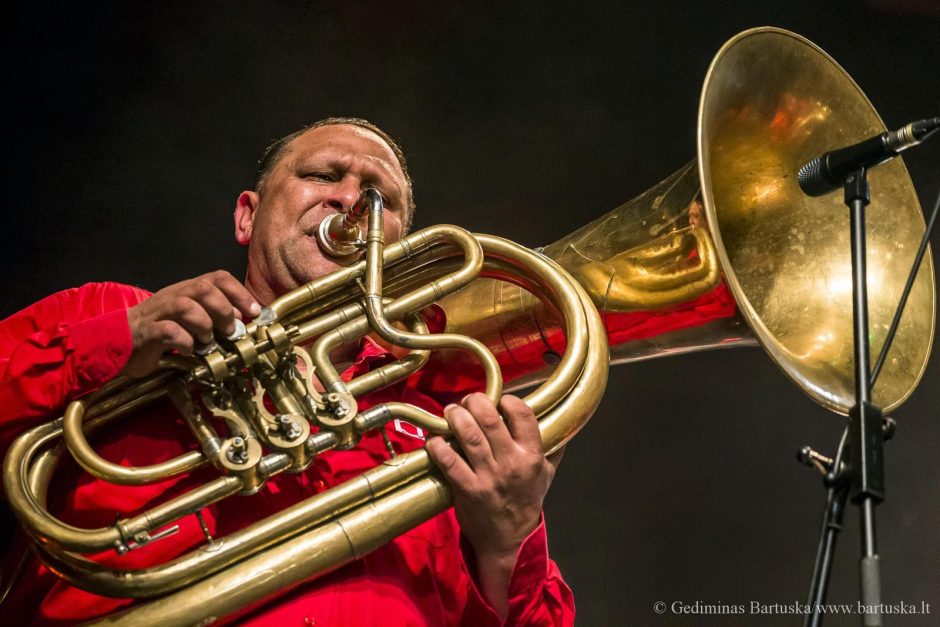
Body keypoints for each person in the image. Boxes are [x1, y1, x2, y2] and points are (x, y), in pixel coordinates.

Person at [0, 118, 575, 625]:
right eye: (325, 175)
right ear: (247, 216)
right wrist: (119, 340)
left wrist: (506, 546)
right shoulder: (111, 313)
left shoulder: (453, 423)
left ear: (404, 248)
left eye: (382, 197)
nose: (353, 200)